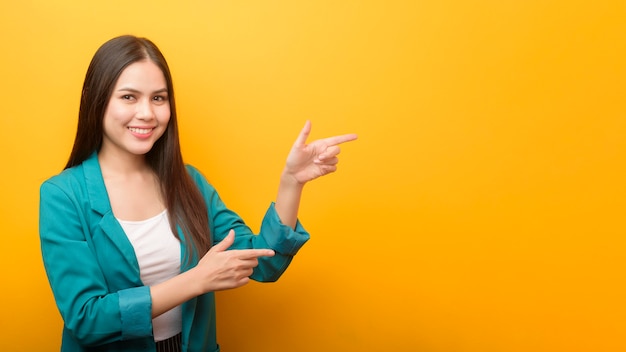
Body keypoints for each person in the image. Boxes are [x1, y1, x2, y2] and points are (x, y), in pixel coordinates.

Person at [39, 35, 357, 352]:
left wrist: (291, 182)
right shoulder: (62, 195)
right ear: (96, 100)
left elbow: (262, 263)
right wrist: (196, 280)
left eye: (159, 98)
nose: (147, 113)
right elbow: (86, 318)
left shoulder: (188, 182)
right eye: (129, 97)